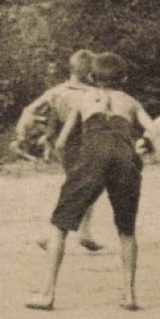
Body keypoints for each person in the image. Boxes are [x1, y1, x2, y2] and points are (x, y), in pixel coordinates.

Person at [29, 52, 160, 312]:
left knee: (59, 225)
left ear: (91, 77)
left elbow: (62, 142)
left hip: (92, 158)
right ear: (124, 77)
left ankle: (47, 294)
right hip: (125, 158)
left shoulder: (84, 99)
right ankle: (129, 295)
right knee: (126, 229)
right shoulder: (131, 102)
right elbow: (155, 134)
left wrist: (74, 170)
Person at [16, 49, 104, 251]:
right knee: (81, 188)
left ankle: (83, 232)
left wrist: (22, 133)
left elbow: (29, 110)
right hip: (82, 141)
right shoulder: (91, 93)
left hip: (64, 145)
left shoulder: (57, 91)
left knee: (87, 186)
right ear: (87, 72)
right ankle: (53, 235)